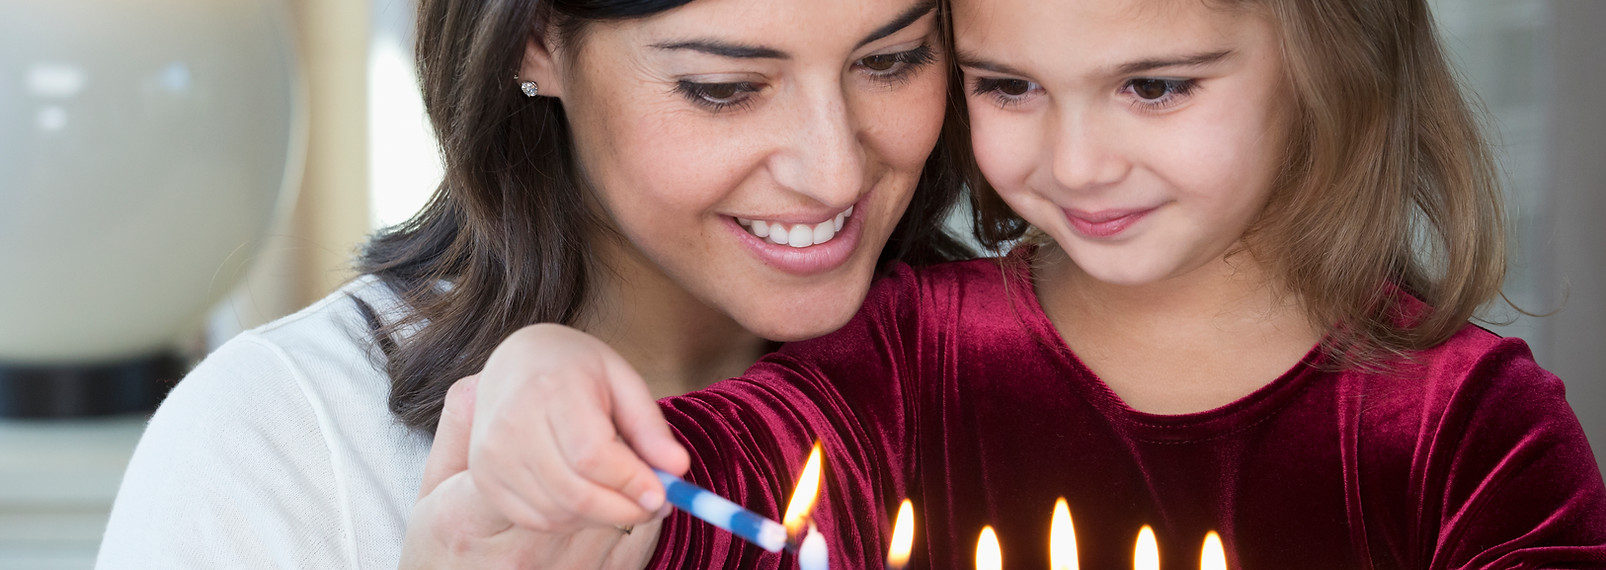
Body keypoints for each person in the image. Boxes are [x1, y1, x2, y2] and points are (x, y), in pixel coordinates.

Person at [454, 0, 1606, 566]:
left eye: (1154, 87)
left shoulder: (1470, 433)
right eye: (1006, 87)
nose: (1074, 162)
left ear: (1329, 58)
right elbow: (709, 492)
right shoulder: (907, 361)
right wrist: (544, 377)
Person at [94, 0, 971, 567]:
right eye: (724, 88)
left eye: (891, 61)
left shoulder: (1011, 370)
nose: (833, 169)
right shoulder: (278, 449)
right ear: (536, 41)